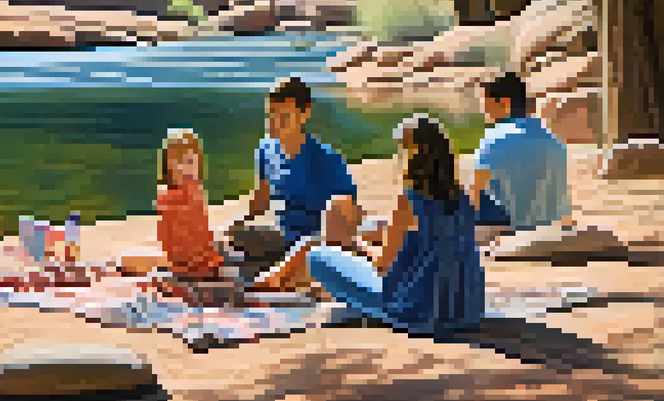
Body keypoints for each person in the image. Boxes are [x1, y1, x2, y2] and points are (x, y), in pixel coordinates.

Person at [302, 114, 485, 336]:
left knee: (318, 256)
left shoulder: (410, 200)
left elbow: (382, 267)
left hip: (416, 310)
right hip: (464, 309)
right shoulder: (463, 198)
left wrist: (357, 246)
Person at [226, 77, 363, 265]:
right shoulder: (266, 149)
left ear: (304, 114)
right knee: (230, 235)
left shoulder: (328, 160)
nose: (274, 123)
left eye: (284, 117)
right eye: (270, 115)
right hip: (281, 236)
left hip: (316, 240)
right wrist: (243, 222)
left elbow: (350, 214)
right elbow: (261, 199)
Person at [468, 72, 573, 231]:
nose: (484, 111)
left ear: (504, 103)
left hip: (510, 234)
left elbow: (475, 198)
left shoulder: (492, 140)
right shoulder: (553, 139)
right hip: (553, 232)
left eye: (486, 104)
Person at [153, 129, 225, 281]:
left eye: (191, 162)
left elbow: (199, 234)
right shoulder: (183, 193)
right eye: (180, 163)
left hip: (188, 264)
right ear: (168, 165)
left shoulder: (174, 192)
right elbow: (187, 241)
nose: (186, 169)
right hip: (194, 266)